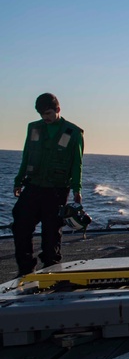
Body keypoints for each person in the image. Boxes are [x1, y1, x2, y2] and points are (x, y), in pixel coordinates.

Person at [12, 93, 85, 276]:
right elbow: (26, 155)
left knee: (51, 231)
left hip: (57, 190)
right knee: (20, 224)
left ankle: (51, 268)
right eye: (42, 114)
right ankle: (25, 268)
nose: (45, 118)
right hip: (33, 185)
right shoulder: (34, 128)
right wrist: (18, 180)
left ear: (58, 110)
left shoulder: (73, 132)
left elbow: (77, 163)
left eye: (48, 113)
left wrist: (77, 189)